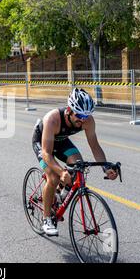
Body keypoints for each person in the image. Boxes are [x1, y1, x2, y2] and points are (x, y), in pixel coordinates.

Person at [31, 88, 118, 236]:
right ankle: (46, 219)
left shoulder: (87, 121)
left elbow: (95, 146)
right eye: (79, 115)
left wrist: (105, 167)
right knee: (53, 176)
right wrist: (61, 171)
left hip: (61, 141)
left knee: (79, 166)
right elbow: (46, 153)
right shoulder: (53, 119)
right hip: (43, 142)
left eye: (86, 115)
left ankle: (58, 195)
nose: (82, 119)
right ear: (69, 111)